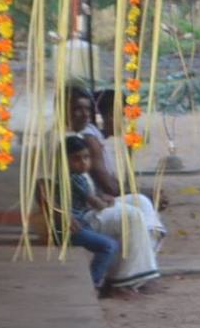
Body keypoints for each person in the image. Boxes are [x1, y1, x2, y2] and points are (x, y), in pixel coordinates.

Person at [69, 89, 166, 288]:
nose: (126, 123)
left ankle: (142, 272)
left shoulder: (96, 138)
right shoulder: (90, 140)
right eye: (122, 116)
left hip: (96, 200)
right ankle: (124, 279)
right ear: (107, 116)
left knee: (144, 204)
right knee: (135, 212)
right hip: (86, 210)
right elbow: (107, 185)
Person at [62, 135, 119, 289]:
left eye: (86, 157)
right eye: (76, 159)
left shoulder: (75, 176)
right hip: (72, 227)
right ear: (65, 160)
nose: (83, 163)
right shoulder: (75, 178)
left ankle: (96, 279)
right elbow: (96, 204)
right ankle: (92, 283)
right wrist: (106, 202)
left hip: (80, 222)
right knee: (109, 246)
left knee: (108, 242)